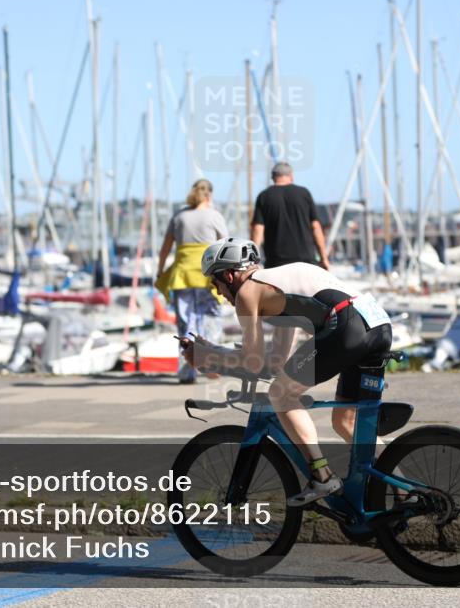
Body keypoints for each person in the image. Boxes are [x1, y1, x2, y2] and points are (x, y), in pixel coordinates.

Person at [183, 237, 393, 506]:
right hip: (376, 324)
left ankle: (322, 475)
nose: (219, 292)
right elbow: (275, 361)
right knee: (346, 422)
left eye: (216, 283)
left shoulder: (248, 292)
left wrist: (205, 358)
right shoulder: (276, 287)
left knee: (280, 394)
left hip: (348, 327)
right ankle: (403, 491)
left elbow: (252, 362)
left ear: (230, 275)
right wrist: (213, 352)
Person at [155, 179, 229, 384]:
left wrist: (160, 272)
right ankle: (211, 363)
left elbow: (165, 248)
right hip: (208, 277)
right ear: (209, 195)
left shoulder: (179, 217)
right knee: (210, 320)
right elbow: (226, 246)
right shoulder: (214, 216)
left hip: (183, 276)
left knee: (187, 323)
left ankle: (187, 371)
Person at [250, 162, 330, 270]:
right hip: (306, 262)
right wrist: (324, 258)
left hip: (276, 263)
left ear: (273, 177)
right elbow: (316, 227)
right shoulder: (304, 193)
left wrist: (252, 261)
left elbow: (257, 230)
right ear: (291, 176)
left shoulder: (264, 196)